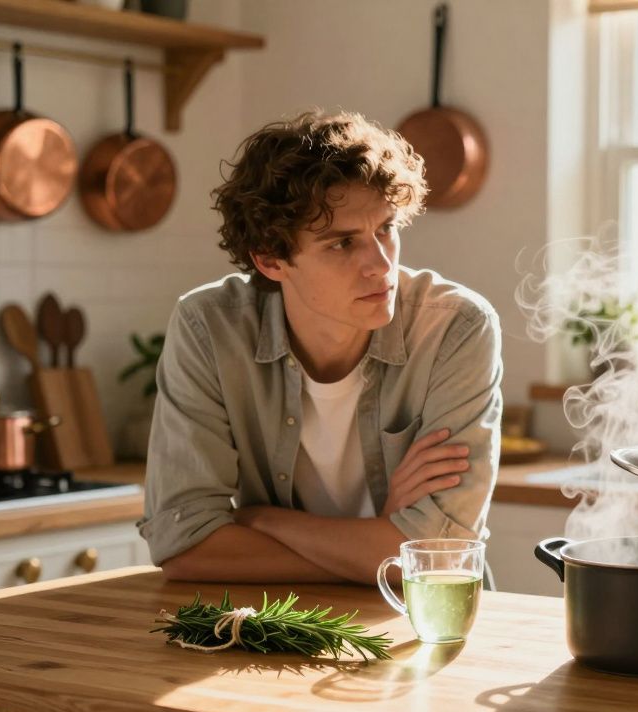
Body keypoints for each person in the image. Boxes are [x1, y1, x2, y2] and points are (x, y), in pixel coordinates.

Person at [138, 110, 503, 584]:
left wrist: (260, 520)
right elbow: (183, 545)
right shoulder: (210, 327)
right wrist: (379, 543)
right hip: (270, 625)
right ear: (271, 260)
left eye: (386, 229)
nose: (380, 264)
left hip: (424, 622)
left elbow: (441, 555)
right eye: (341, 244)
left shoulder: (456, 327)